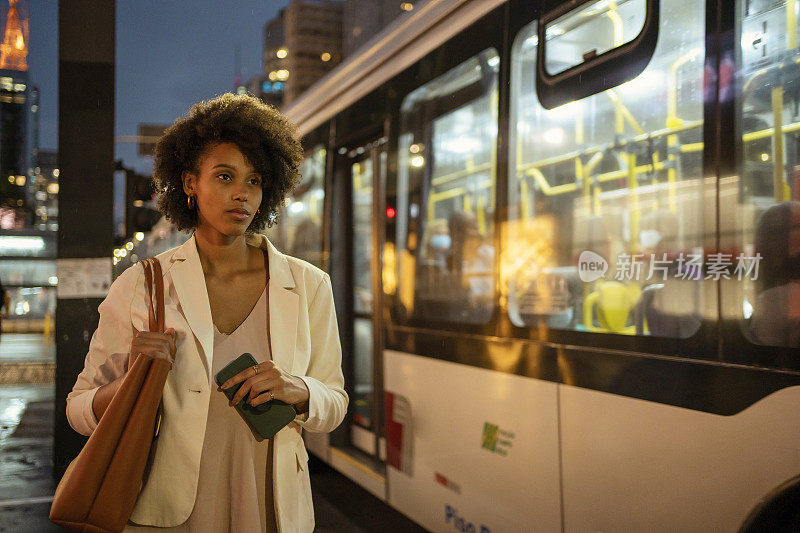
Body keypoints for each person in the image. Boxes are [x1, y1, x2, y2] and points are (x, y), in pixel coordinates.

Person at [65, 93, 348, 532]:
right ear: (189, 183)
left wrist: (301, 389)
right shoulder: (143, 285)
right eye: (223, 176)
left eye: (254, 180)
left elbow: (335, 403)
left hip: (273, 508)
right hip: (170, 511)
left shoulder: (309, 285)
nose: (242, 194)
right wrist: (134, 381)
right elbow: (79, 409)